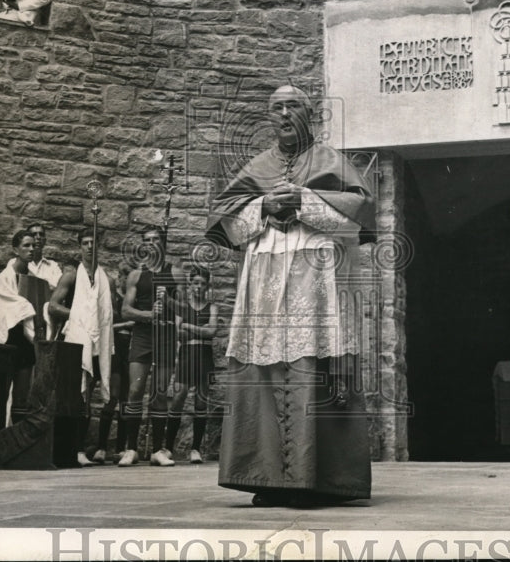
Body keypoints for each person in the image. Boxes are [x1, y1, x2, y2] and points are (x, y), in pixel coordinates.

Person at [206, 85, 376, 508]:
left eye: (292, 106)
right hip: (265, 278)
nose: (284, 114)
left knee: (312, 362)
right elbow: (224, 216)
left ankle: (318, 478)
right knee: (264, 366)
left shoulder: (331, 161)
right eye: (276, 108)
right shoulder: (257, 165)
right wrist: (263, 205)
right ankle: (269, 478)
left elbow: (360, 212)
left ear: (310, 114)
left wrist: (303, 199)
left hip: (315, 281)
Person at [48, 228, 114, 467]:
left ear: (99, 246)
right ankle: (71, 449)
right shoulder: (71, 276)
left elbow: (106, 315)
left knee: (88, 397)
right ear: (79, 246)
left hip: (96, 343)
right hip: (76, 341)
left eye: (93, 242)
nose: (89, 247)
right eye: (85, 242)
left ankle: (81, 448)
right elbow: (53, 306)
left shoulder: (106, 279)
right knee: (74, 396)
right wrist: (79, 317)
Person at [118, 225, 181, 467]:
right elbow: (125, 310)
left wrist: (169, 302)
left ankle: (157, 450)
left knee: (160, 393)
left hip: (165, 335)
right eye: (147, 240)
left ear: (163, 243)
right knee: (135, 390)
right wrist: (147, 314)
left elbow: (187, 309)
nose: (152, 243)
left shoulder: (174, 272)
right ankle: (131, 448)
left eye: (156, 239)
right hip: (143, 335)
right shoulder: (136, 275)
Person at [0, 230, 37, 425]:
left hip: (25, 342)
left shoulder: (33, 278)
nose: (31, 249)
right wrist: (27, 309)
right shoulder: (4, 278)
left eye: (33, 246)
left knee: (22, 397)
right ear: (15, 249)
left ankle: (15, 443)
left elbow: (38, 303)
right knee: (2, 394)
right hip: (7, 342)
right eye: (26, 245)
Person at [165, 265, 219, 464]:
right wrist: (198, 329)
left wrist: (189, 327)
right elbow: (178, 333)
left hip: (204, 356)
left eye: (202, 283)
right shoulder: (183, 306)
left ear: (207, 286)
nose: (198, 286)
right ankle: (167, 447)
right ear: (190, 284)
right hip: (187, 354)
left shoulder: (212, 307)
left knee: (201, 401)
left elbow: (212, 331)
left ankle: (195, 449)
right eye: (195, 282)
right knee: (179, 397)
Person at [92, 263, 134, 463]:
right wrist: (125, 324)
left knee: (127, 398)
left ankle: (119, 448)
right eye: (127, 277)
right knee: (113, 395)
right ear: (121, 277)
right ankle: (101, 447)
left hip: (130, 349)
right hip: (115, 347)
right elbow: (104, 325)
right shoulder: (112, 298)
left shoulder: (133, 299)